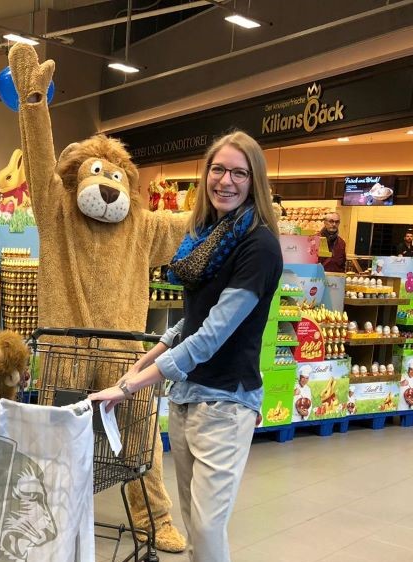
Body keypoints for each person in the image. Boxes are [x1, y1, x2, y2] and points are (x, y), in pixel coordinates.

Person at [89, 131, 282, 562]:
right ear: (205, 175)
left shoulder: (259, 245)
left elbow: (213, 334)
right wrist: (139, 365)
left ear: (255, 182)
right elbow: (189, 324)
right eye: (218, 169)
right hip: (187, 399)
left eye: (238, 172)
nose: (225, 181)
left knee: (209, 528)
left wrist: (130, 388)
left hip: (227, 403)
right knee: (195, 523)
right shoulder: (207, 238)